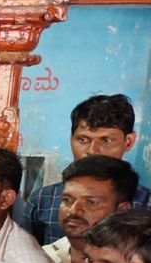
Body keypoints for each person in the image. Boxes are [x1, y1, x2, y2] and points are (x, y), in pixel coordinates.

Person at [24, 94, 149, 245]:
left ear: (128, 142)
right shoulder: (42, 200)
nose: (93, 150)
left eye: (106, 140)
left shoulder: (147, 204)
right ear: (71, 138)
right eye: (83, 139)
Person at [43, 155, 137, 263]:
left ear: (123, 210)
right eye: (67, 200)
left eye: (91, 202)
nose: (73, 210)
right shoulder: (44, 258)